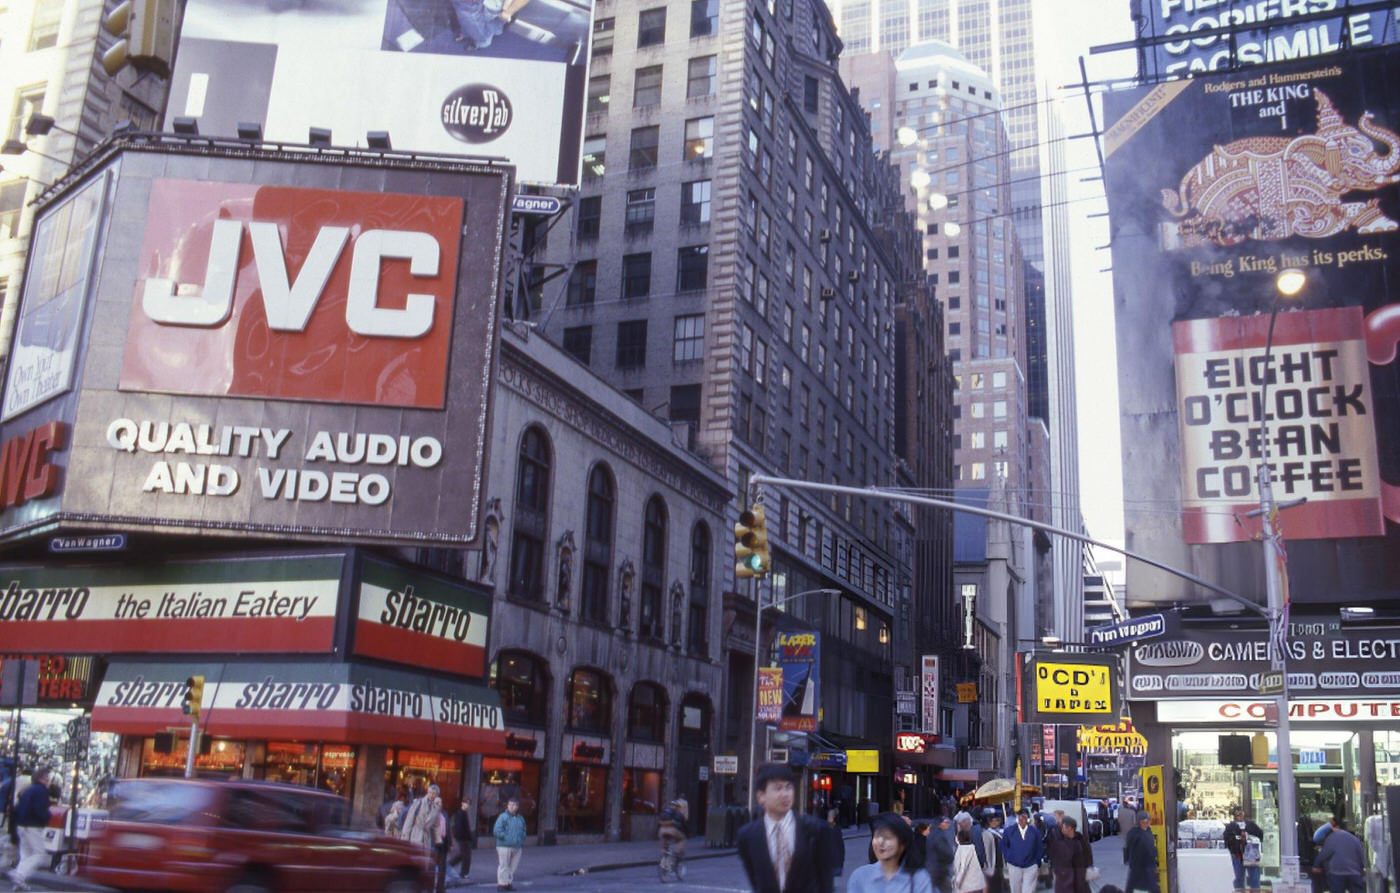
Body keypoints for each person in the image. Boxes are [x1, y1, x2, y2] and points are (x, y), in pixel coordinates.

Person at [737, 763, 833, 893]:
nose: (785, 794)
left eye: (788, 787)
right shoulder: (747, 836)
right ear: (761, 797)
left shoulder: (815, 829)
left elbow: (825, 882)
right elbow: (755, 881)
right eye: (778, 788)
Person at [848, 812, 934, 893]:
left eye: (888, 837)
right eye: (877, 836)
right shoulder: (859, 876)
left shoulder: (920, 878)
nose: (881, 842)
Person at [7, 767, 51, 891]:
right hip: (33, 825)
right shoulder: (41, 791)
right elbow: (40, 810)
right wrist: (47, 817)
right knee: (39, 854)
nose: (48, 779)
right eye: (47, 777)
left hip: (21, 825)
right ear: (42, 778)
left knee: (25, 854)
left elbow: (17, 808)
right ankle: (19, 874)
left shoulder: (28, 790)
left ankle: (18, 883)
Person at [1001, 808, 1045, 893]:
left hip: (1031, 865)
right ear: (1017, 818)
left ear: (1028, 818)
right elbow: (1003, 845)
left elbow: (1040, 847)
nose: (1022, 820)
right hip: (1014, 865)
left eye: (1024, 817)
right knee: (1015, 889)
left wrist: (1037, 861)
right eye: (1020, 817)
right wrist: (1008, 857)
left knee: (1028, 890)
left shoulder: (1034, 831)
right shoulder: (1009, 831)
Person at [1315, 818, 1365, 893]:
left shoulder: (1331, 838)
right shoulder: (1355, 839)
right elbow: (1360, 855)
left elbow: (1324, 853)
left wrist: (1316, 865)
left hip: (1337, 873)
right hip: (1354, 873)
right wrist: (1361, 869)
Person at [1224, 808, 1266, 893]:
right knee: (1239, 877)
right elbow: (1227, 840)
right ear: (1235, 816)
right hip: (1237, 855)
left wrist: (1252, 840)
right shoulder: (1231, 827)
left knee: (1254, 877)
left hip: (1251, 855)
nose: (1240, 816)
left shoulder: (1251, 825)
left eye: (1241, 813)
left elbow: (1261, 835)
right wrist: (1233, 850)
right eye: (1238, 814)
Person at [1046, 816, 1093, 893]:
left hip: (1075, 875)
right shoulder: (1062, 840)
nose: (1062, 829)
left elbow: (1087, 855)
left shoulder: (1079, 840)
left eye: (1063, 826)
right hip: (1067, 876)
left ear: (1069, 828)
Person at [493, 796, 527, 891]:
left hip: (517, 846)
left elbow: (524, 830)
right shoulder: (503, 817)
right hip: (504, 846)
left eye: (515, 805)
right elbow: (497, 830)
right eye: (511, 805)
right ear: (507, 805)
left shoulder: (520, 818)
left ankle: (508, 883)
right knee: (504, 865)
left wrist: (521, 839)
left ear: (518, 807)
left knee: (512, 867)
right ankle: (501, 884)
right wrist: (507, 838)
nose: (512, 807)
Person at [1124, 811, 1159, 893]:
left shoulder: (1148, 831)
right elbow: (1129, 848)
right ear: (1139, 822)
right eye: (1144, 821)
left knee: (1150, 887)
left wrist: (1154, 854)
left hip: (1149, 866)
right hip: (1139, 867)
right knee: (1138, 888)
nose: (1147, 823)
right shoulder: (1134, 833)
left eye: (1148, 821)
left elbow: (1150, 846)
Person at [659, 797, 688, 878]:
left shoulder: (664, 812)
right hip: (673, 830)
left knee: (665, 847)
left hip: (662, 830)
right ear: (677, 807)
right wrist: (687, 834)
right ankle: (676, 853)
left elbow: (659, 822)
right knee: (682, 839)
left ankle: (664, 855)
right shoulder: (678, 813)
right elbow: (684, 827)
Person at [927, 814, 957, 893]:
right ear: (941, 824)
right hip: (939, 871)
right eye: (946, 823)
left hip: (929, 870)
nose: (948, 825)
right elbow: (947, 854)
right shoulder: (940, 835)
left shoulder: (929, 834)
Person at [448, 797, 474, 882]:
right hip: (463, 839)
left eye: (469, 803)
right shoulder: (460, 813)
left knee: (463, 856)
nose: (467, 805)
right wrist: (462, 837)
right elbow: (459, 827)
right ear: (462, 803)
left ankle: (451, 867)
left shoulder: (464, 813)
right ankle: (463, 873)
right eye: (466, 803)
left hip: (465, 838)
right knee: (465, 856)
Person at [953, 828, 986, 893]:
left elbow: (963, 867)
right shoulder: (972, 848)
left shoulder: (963, 849)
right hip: (978, 884)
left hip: (967, 886)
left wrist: (957, 882)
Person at [982, 812, 1006, 893]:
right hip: (992, 864)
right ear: (990, 822)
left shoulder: (998, 833)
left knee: (999, 886)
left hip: (998, 864)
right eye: (995, 820)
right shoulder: (986, 834)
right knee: (993, 887)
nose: (997, 822)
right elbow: (987, 850)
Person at [826, 809, 847, 881]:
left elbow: (840, 844)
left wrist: (842, 857)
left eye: (831, 816)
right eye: (829, 816)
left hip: (834, 854)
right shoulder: (825, 827)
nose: (829, 817)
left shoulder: (836, 829)